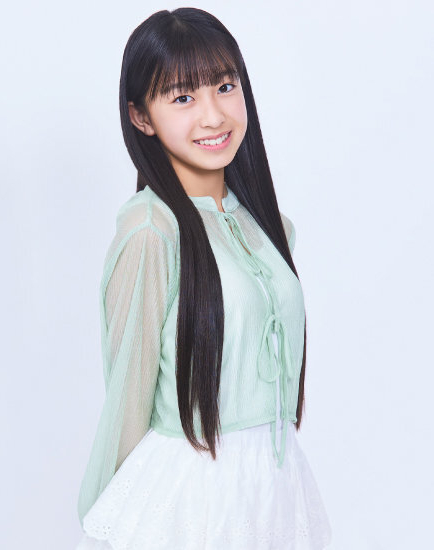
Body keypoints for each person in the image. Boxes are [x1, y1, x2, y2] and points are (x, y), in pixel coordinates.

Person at [75, 7, 332, 549]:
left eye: (225, 86)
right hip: (192, 496)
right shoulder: (151, 231)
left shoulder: (270, 227)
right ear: (141, 117)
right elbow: (127, 394)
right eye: (182, 97)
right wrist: (110, 514)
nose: (214, 115)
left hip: (273, 485)